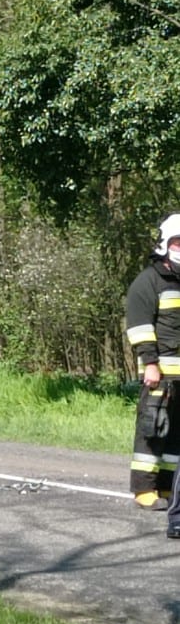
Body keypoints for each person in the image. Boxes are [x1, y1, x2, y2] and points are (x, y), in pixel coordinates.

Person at [125, 214, 180, 522]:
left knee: (176, 436)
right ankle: (144, 489)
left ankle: (169, 486)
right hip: (159, 372)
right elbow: (140, 327)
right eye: (178, 243)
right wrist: (150, 364)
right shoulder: (148, 281)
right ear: (164, 244)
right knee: (152, 429)